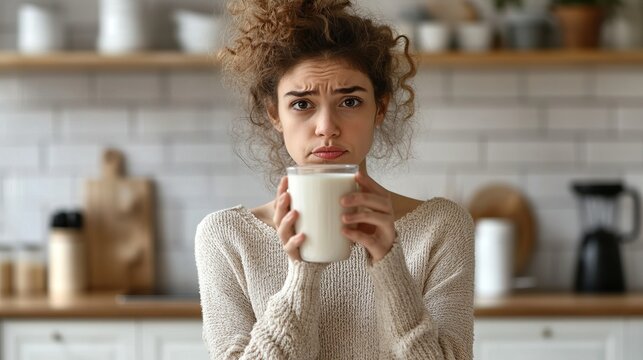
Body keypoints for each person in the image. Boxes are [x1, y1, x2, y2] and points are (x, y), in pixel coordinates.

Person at [195, 0, 474, 358]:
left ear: (381, 108)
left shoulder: (442, 228)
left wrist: (389, 263)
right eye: (301, 104)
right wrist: (301, 275)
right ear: (274, 114)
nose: (327, 127)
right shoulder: (226, 238)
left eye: (351, 102)